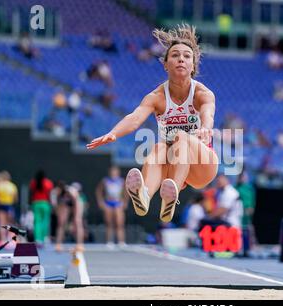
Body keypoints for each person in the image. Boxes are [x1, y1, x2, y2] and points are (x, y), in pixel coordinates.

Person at [87, 24, 219, 223]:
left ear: (193, 65)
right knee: (158, 147)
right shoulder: (156, 97)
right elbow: (135, 118)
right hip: (174, 163)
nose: (181, 59)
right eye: (175, 55)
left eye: (186, 56)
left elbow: (208, 114)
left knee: (181, 137)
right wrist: (114, 133)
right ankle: (144, 195)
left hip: (202, 164)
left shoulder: (202, 94)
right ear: (165, 64)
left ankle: (171, 197)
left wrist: (205, 128)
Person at [96, 166, 128, 248]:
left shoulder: (121, 181)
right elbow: (98, 191)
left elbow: (126, 192)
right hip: (108, 203)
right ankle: (109, 241)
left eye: (115, 172)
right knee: (109, 223)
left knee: (119, 223)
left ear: (118, 172)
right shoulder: (105, 180)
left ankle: (121, 241)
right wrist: (101, 202)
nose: (113, 173)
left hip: (118, 203)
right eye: (112, 172)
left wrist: (125, 202)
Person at [50, 181, 85, 252]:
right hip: (65, 204)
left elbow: (76, 202)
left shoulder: (70, 191)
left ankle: (79, 244)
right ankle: (58, 244)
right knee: (61, 223)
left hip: (76, 202)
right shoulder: (54, 193)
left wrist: (74, 216)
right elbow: (55, 206)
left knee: (77, 222)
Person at [29, 170, 54, 246]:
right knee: (45, 222)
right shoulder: (48, 183)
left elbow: (31, 193)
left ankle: (38, 239)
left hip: (36, 203)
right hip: (45, 204)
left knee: (37, 222)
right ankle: (43, 238)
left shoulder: (33, 182)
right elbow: (50, 194)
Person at [235, 171, 256, 257]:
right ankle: (239, 248)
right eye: (240, 177)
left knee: (247, 230)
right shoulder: (235, 187)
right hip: (237, 211)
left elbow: (252, 199)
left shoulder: (249, 188)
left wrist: (251, 207)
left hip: (247, 211)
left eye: (243, 177)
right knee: (239, 230)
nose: (242, 179)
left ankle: (247, 249)